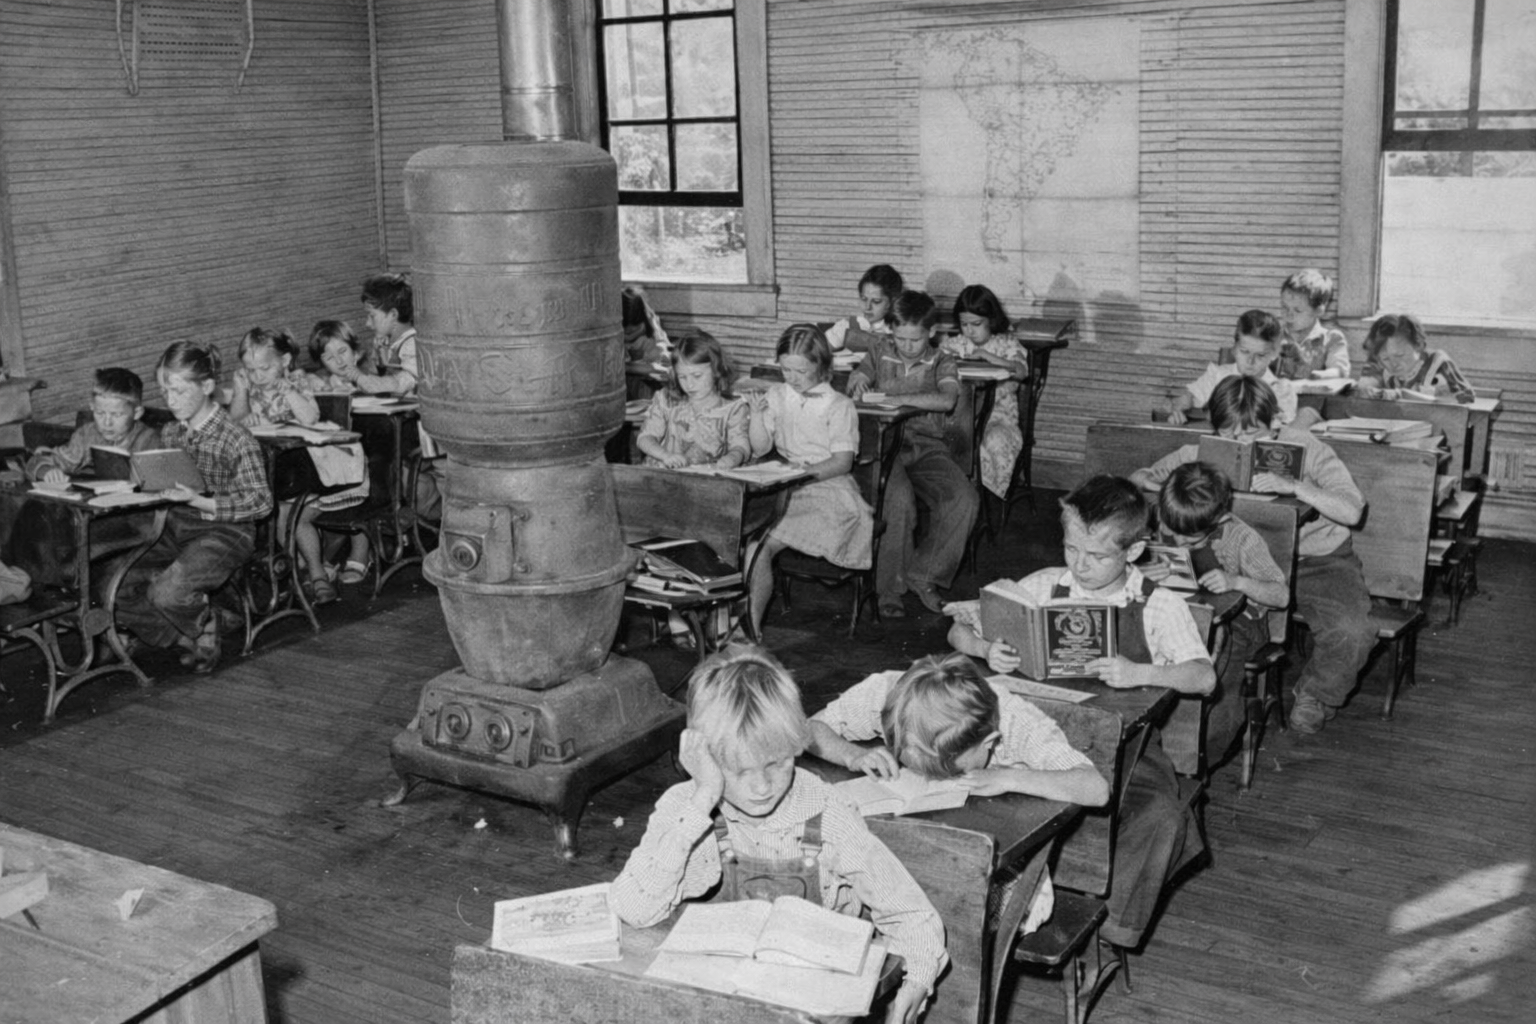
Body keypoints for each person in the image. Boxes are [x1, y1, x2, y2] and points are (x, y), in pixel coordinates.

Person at [609, 645, 946, 1024]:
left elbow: (911, 913)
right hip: (726, 999)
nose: (762, 787)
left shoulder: (827, 812)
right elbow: (632, 909)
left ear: (796, 745)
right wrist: (702, 799)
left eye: (777, 763)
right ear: (702, 757)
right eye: (739, 772)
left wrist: (917, 978)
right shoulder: (689, 808)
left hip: (813, 1001)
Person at [945, 475, 1213, 949]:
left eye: (1097, 556)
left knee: (1163, 815)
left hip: (1124, 748)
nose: (1080, 566)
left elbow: (1202, 677)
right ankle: (984, 908)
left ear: (1132, 551)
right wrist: (987, 648)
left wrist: (1140, 673)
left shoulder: (1158, 604)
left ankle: (1111, 927)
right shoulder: (1045, 585)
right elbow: (957, 633)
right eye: (1072, 550)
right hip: (1030, 736)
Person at [1132, 376, 1370, 735]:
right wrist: (1153, 482)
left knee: (1353, 631)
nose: (1239, 444)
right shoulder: (1202, 452)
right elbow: (1138, 477)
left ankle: (1317, 693)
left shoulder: (1306, 447)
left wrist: (1296, 486)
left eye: (1251, 435)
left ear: (1274, 423)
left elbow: (1352, 511)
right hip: (1234, 562)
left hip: (1315, 560)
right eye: (1228, 436)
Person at [114, 342, 273, 673]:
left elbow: (260, 502)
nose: (170, 401)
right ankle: (185, 634)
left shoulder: (235, 437)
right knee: (112, 586)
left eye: (179, 391)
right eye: (164, 392)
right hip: (176, 525)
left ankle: (203, 625)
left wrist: (197, 499)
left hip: (227, 530)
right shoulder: (172, 431)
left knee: (168, 593)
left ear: (207, 387)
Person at [809, 652, 1107, 806]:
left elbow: (1096, 787)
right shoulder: (894, 697)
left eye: (949, 770)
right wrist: (852, 755)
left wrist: (1010, 777)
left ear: (989, 742)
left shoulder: (1019, 723)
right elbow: (808, 729)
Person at [1145, 462, 1289, 773]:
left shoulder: (1242, 537)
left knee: (1216, 667)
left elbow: (1282, 595)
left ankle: (1194, 760)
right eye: (1173, 534)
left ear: (1218, 519)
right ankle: (1154, 745)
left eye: (1191, 541)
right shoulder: (1167, 519)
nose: (1180, 544)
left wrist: (1237, 582)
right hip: (1181, 615)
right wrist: (1145, 573)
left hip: (1241, 626)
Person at [847, 290, 978, 618]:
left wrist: (891, 395)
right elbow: (858, 383)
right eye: (900, 338)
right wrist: (860, 383)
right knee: (898, 502)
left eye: (915, 340)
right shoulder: (879, 350)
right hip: (884, 445)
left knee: (964, 499)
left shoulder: (942, 361)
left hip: (926, 447)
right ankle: (889, 588)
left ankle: (923, 575)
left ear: (931, 333)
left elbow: (947, 400)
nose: (906, 346)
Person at [745, 324, 873, 637]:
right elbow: (761, 448)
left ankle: (749, 627)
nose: (792, 377)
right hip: (786, 484)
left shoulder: (838, 405)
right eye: (785, 369)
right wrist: (756, 416)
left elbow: (842, 463)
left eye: (800, 370)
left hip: (826, 488)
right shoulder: (778, 394)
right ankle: (746, 624)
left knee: (757, 547)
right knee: (747, 544)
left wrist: (799, 477)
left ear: (821, 365)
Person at [937, 284, 1029, 500]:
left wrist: (991, 359)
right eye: (964, 324)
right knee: (944, 441)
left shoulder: (1006, 344)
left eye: (976, 324)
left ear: (992, 319)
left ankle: (978, 495)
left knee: (995, 442)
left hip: (998, 419)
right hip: (960, 418)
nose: (969, 330)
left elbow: (1022, 371)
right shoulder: (955, 344)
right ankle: (957, 494)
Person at [636, 331, 751, 470]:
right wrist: (665, 455)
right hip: (661, 478)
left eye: (697, 376)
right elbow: (644, 437)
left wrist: (733, 458)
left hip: (706, 483)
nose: (689, 385)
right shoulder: (666, 401)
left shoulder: (733, 409)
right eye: (682, 377)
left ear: (716, 370)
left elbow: (741, 445)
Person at [24, 367, 160, 483]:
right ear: (92, 408)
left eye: (116, 415)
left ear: (137, 413)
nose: (107, 423)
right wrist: (47, 471)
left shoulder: (149, 439)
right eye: (100, 413)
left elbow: (156, 482)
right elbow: (38, 462)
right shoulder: (87, 434)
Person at [1166, 309, 1297, 426]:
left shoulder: (1282, 390)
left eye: (1260, 355)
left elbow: (1286, 430)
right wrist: (1179, 408)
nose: (1250, 361)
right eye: (1244, 351)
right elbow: (1187, 398)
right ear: (1234, 349)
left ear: (1273, 354)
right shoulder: (1216, 376)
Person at [1357, 313, 1475, 404]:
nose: (1393, 364)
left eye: (1400, 355)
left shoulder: (1438, 362)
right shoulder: (1381, 364)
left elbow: (1466, 397)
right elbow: (1364, 386)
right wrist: (1367, 389)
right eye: (1386, 359)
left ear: (1418, 346)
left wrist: (1401, 394)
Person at [228, 327, 320, 429]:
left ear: (285, 360)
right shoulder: (250, 388)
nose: (258, 377)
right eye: (251, 370)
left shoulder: (297, 380)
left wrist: (290, 393)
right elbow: (235, 425)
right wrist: (240, 392)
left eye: (265, 368)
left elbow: (311, 420)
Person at [1274, 269, 1350, 380]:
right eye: (1284, 307)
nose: (1289, 315)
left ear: (1318, 311)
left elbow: (1340, 371)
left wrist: (1320, 376)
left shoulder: (1331, 339)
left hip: (1315, 396)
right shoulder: (1274, 337)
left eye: (1298, 310)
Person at [824, 264, 903, 351]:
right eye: (864, 299)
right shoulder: (846, 327)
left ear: (892, 302)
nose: (867, 307)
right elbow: (816, 352)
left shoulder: (900, 332)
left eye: (876, 301)